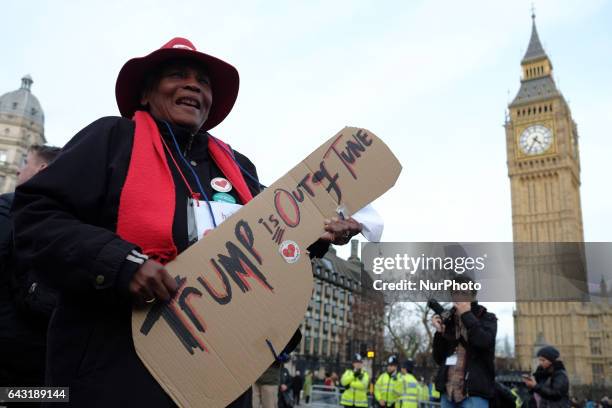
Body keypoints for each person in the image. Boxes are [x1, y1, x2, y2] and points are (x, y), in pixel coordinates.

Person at [11, 37, 363, 408]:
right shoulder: (112, 140)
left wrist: (317, 234)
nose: (194, 85)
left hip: (219, 379)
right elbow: (36, 215)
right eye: (177, 74)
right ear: (146, 92)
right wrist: (120, 264)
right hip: (114, 374)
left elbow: (270, 249)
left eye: (204, 81)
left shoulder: (240, 169)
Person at [0, 144, 60, 393]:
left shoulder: (8, 207)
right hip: (48, 355)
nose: (17, 171)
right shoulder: (75, 217)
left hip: (7, 347)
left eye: (25, 162)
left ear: (42, 169)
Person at [432, 274, 497, 408]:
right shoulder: (448, 320)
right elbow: (439, 358)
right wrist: (440, 332)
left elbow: (484, 342)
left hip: (473, 394)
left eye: (464, 292)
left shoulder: (487, 318)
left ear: (473, 296)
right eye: (455, 292)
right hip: (448, 392)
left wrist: (466, 315)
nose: (459, 296)